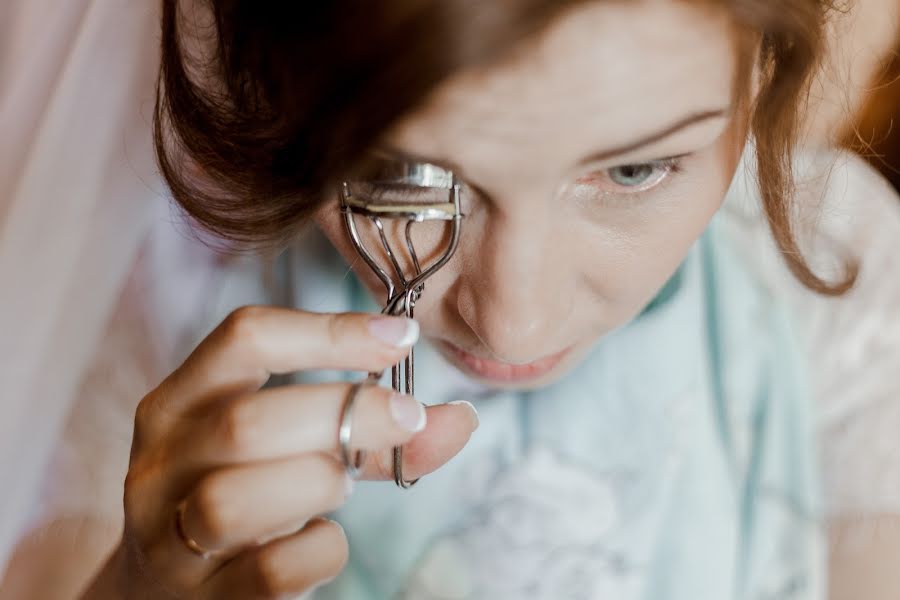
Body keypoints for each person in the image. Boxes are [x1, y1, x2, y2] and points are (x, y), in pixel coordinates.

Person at [3, 1, 900, 599]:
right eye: (399, 174)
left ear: (762, 75)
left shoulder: (845, 296)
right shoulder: (148, 315)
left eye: (634, 169)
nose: (513, 323)